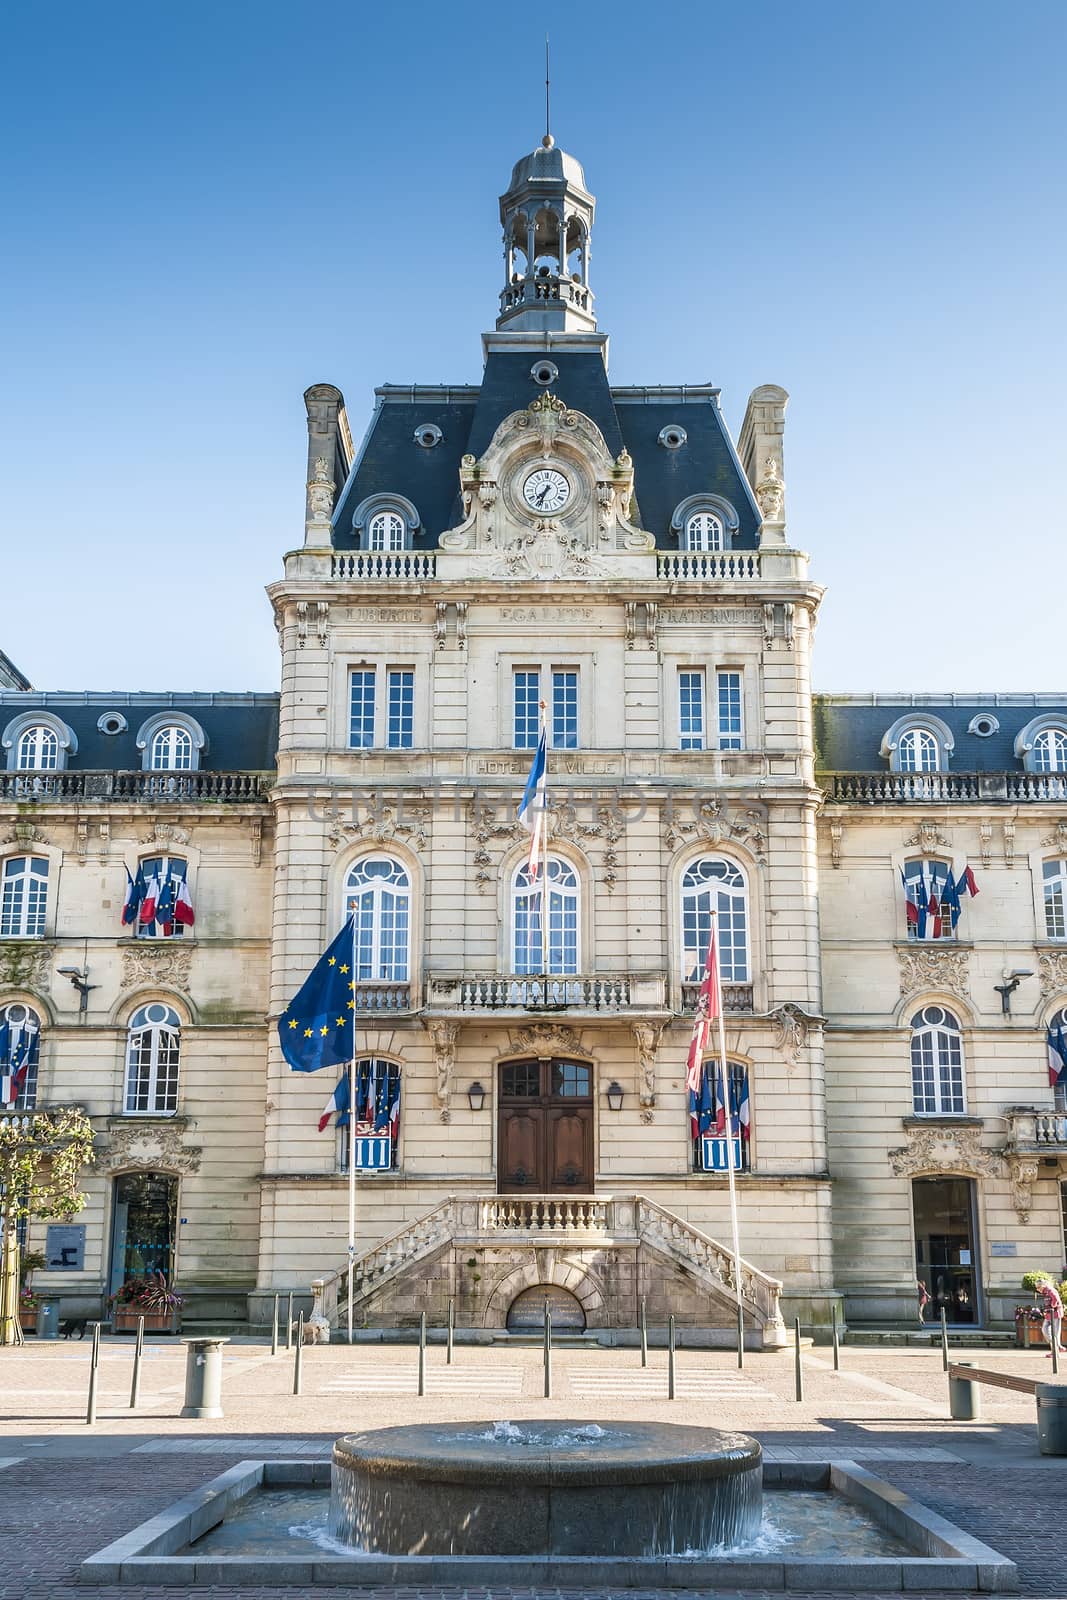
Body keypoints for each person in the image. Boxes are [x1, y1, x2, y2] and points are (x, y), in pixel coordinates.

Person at [1039, 1279, 1066, 1354]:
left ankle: (1056, 1350)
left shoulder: (1050, 1290)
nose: (1037, 1289)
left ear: (1042, 1286)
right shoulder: (1045, 1292)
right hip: (1049, 1314)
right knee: (1045, 1329)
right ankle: (1056, 1346)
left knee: (1055, 1332)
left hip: (1055, 1313)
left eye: (1038, 1287)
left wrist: (1052, 1306)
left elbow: (1056, 1299)